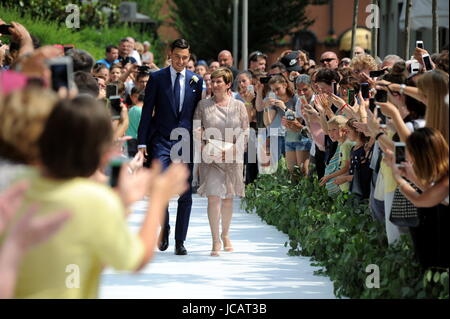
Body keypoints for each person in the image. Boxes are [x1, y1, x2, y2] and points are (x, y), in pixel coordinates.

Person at [0, 95, 190, 298]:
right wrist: (157, 201)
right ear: (102, 149)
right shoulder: (95, 200)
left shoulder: (13, 186)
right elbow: (136, 259)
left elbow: (90, 256)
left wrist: (120, 204)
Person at [137, 39, 203, 256]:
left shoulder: (197, 81)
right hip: (161, 140)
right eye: (177, 57)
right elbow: (147, 111)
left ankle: (180, 240)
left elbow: (198, 113)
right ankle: (164, 227)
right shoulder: (157, 78)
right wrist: (142, 142)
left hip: (185, 141)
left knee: (185, 192)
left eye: (185, 57)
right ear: (170, 54)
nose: (181, 61)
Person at [193, 68, 249, 256]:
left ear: (227, 84)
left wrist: (234, 149)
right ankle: (215, 239)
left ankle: (225, 235)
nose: (214, 85)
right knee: (213, 196)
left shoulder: (239, 106)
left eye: (219, 82)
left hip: (232, 155)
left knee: (227, 198)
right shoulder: (203, 105)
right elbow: (196, 128)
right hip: (211, 156)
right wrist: (203, 148)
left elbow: (245, 130)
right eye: (212, 81)